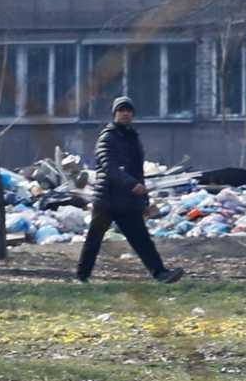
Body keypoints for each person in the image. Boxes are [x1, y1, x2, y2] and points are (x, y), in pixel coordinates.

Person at [76, 97, 184, 284]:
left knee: (142, 239)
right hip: (107, 199)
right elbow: (110, 167)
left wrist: (144, 201)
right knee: (94, 240)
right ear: (114, 114)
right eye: (121, 110)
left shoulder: (132, 138)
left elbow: (137, 172)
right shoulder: (107, 137)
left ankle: (161, 273)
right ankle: (82, 275)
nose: (125, 113)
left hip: (128, 201)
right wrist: (131, 184)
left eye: (128, 110)